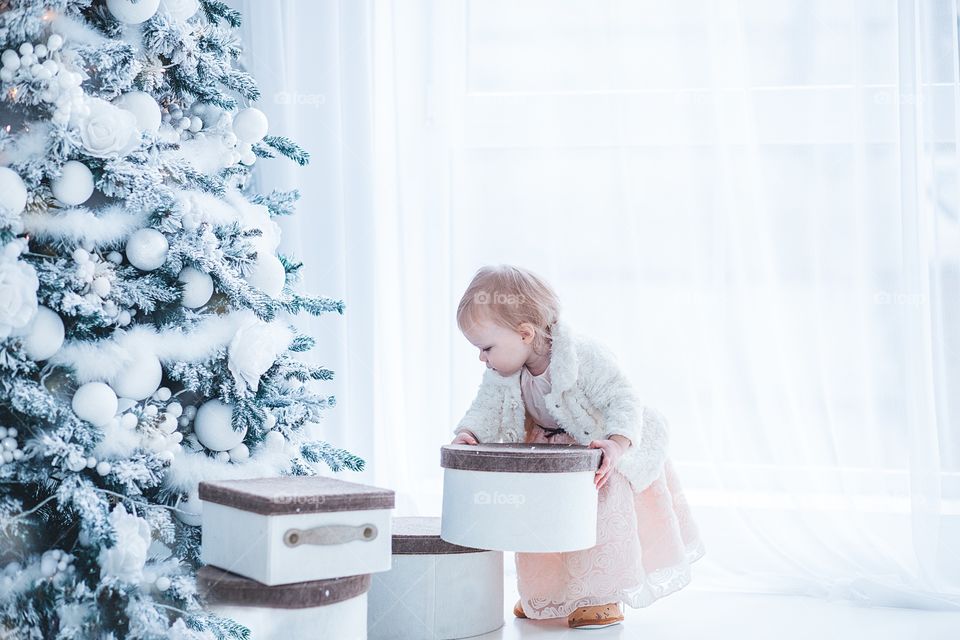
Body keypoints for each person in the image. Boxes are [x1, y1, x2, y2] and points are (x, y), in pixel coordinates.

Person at [451, 265, 705, 630]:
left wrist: (616, 444)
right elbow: (486, 408)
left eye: (486, 348)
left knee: (597, 522)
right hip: (551, 455)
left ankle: (603, 596)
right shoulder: (503, 371)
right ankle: (548, 595)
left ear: (524, 334)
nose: (482, 358)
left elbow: (623, 398)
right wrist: (470, 433)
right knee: (541, 522)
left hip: (597, 451)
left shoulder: (582, 356)